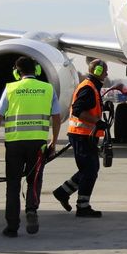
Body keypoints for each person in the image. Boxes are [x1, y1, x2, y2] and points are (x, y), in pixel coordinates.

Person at [0, 56, 61, 237]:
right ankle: (31, 210)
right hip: (38, 144)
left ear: (17, 72)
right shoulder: (47, 89)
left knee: (12, 185)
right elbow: (56, 117)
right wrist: (54, 140)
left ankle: (12, 226)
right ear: (37, 70)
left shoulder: (10, 88)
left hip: (14, 144)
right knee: (34, 180)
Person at [53, 59, 108, 218]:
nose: (107, 73)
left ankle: (63, 192)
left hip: (85, 136)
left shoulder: (92, 87)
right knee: (89, 171)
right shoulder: (88, 88)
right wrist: (97, 122)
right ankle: (82, 206)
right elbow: (78, 110)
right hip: (81, 136)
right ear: (97, 71)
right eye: (105, 70)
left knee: (89, 169)